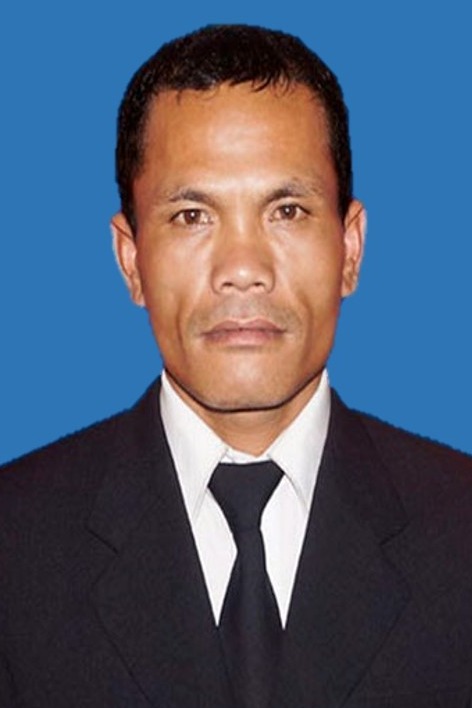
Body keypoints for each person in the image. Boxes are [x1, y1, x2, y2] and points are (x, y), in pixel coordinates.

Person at [1, 23, 472, 708]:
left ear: (350, 249)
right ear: (131, 260)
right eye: (192, 216)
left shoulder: (461, 531)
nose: (243, 269)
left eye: (287, 210)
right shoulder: (15, 545)